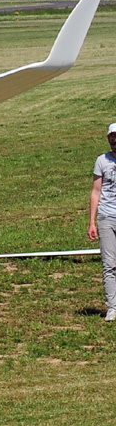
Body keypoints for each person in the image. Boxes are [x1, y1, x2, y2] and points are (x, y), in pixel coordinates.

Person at [91, 123, 116, 320]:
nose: (115, 141)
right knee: (109, 264)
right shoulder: (102, 160)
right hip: (107, 216)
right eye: (112, 137)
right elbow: (96, 191)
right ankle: (112, 308)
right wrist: (92, 222)